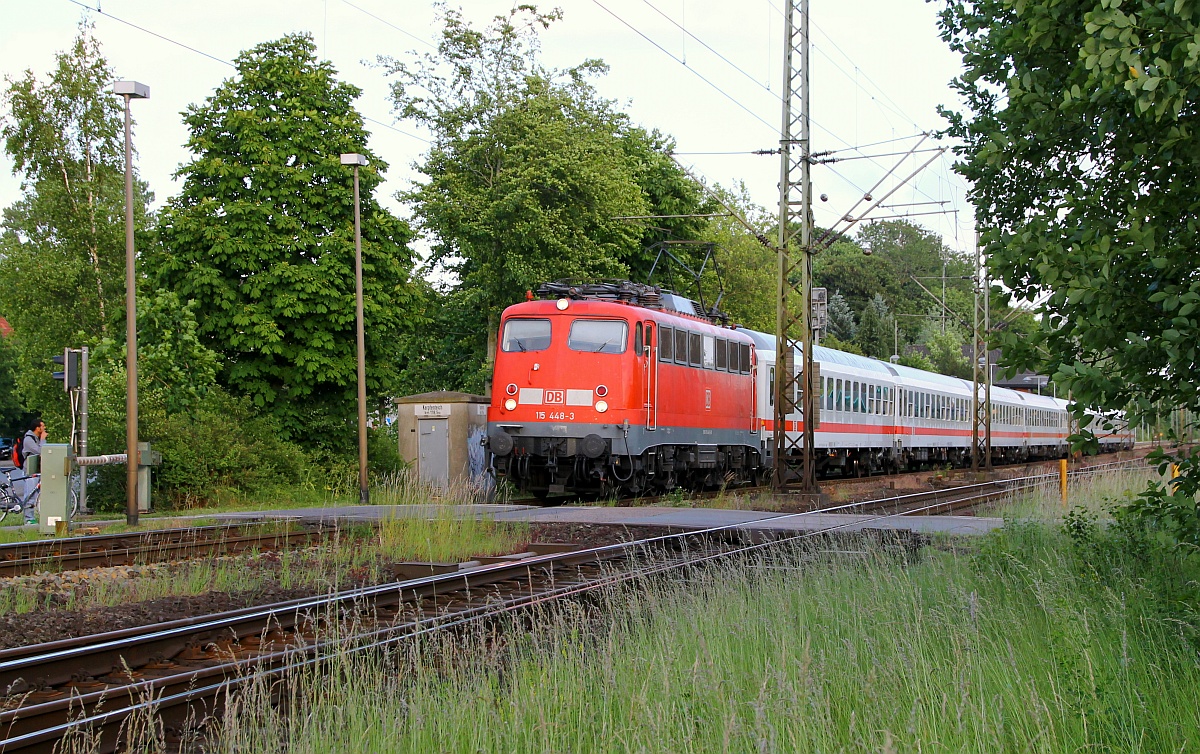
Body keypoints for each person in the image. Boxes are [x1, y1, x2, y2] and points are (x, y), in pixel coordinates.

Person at [19, 418, 45, 525]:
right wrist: (43, 439)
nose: (44, 428)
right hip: (30, 471)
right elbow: (40, 451)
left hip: (36, 470)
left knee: (36, 494)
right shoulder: (29, 439)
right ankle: (28, 519)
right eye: (43, 426)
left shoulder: (36, 438)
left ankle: (34, 516)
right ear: (37, 428)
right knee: (30, 494)